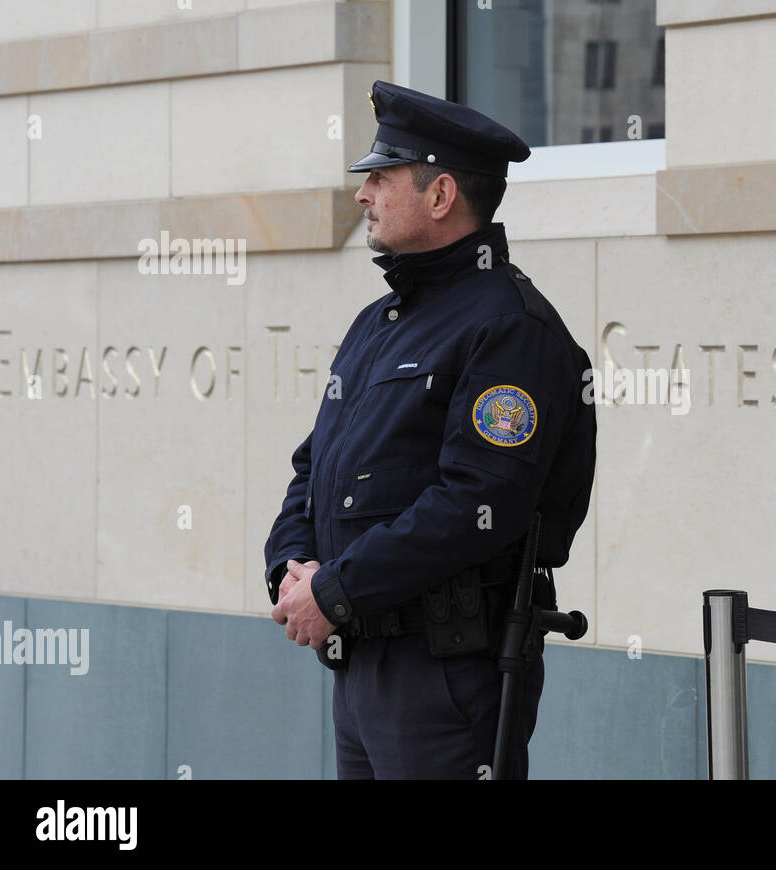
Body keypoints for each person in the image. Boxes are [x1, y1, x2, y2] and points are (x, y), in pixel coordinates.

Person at [264, 80, 597, 779]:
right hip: (361, 661)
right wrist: (291, 568)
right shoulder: (380, 323)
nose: (363, 195)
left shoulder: (509, 329)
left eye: (381, 177)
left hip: (444, 675)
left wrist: (335, 591)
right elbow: (312, 468)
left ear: (441, 196)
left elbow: (476, 503)